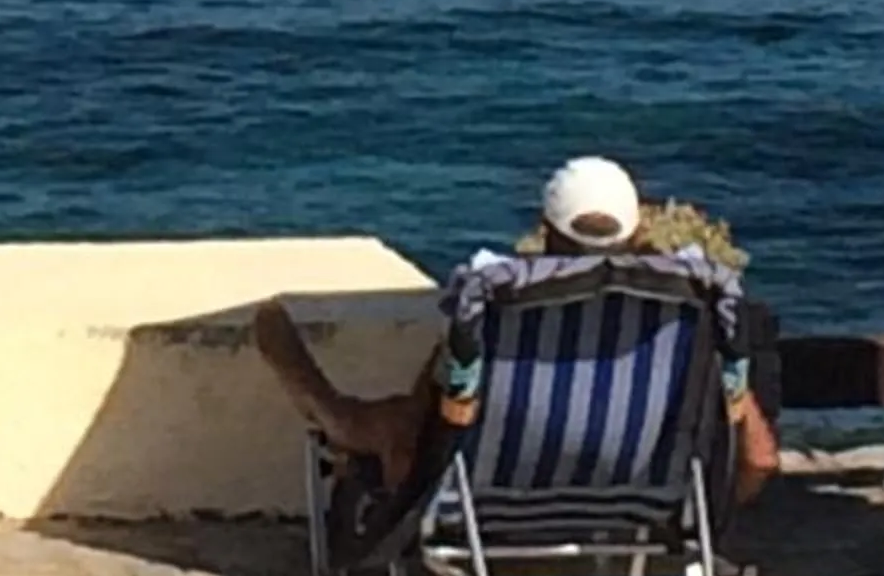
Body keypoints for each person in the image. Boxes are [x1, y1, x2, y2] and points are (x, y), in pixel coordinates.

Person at [251, 156, 780, 509]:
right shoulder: (689, 318)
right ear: (638, 233)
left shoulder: (497, 304)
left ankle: (321, 397)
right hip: (641, 499)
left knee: (395, 422)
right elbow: (758, 460)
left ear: (545, 230)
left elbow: (431, 434)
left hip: (489, 497)